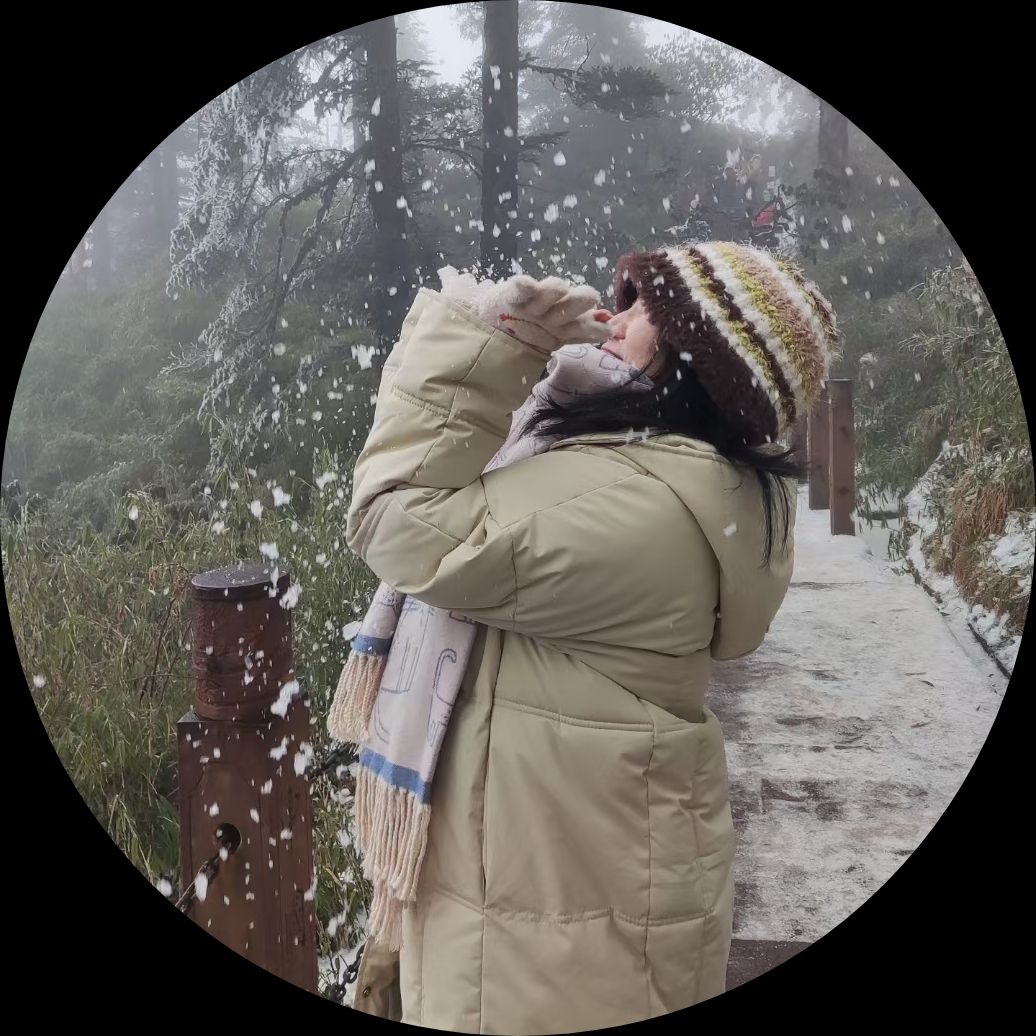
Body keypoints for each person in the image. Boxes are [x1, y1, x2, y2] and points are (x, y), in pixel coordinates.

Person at [337, 242, 839, 1032]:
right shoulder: (651, 473)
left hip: (557, 947)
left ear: (702, 365)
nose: (616, 319)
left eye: (646, 311)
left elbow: (398, 523)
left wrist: (481, 341)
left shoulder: (640, 505)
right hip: (563, 907)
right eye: (625, 299)